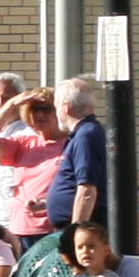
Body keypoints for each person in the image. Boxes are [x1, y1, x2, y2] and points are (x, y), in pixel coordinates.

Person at [0, 83, 67, 246]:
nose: (39, 115)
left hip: (54, 229)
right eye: (34, 110)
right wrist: (10, 105)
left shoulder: (72, 144)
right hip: (20, 229)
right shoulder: (23, 143)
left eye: (46, 109)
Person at [47, 77, 111, 235]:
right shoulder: (84, 133)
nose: (56, 114)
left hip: (87, 230)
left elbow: (87, 191)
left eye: (56, 107)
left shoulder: (86, 136)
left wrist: (75, 235)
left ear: (66, 108)